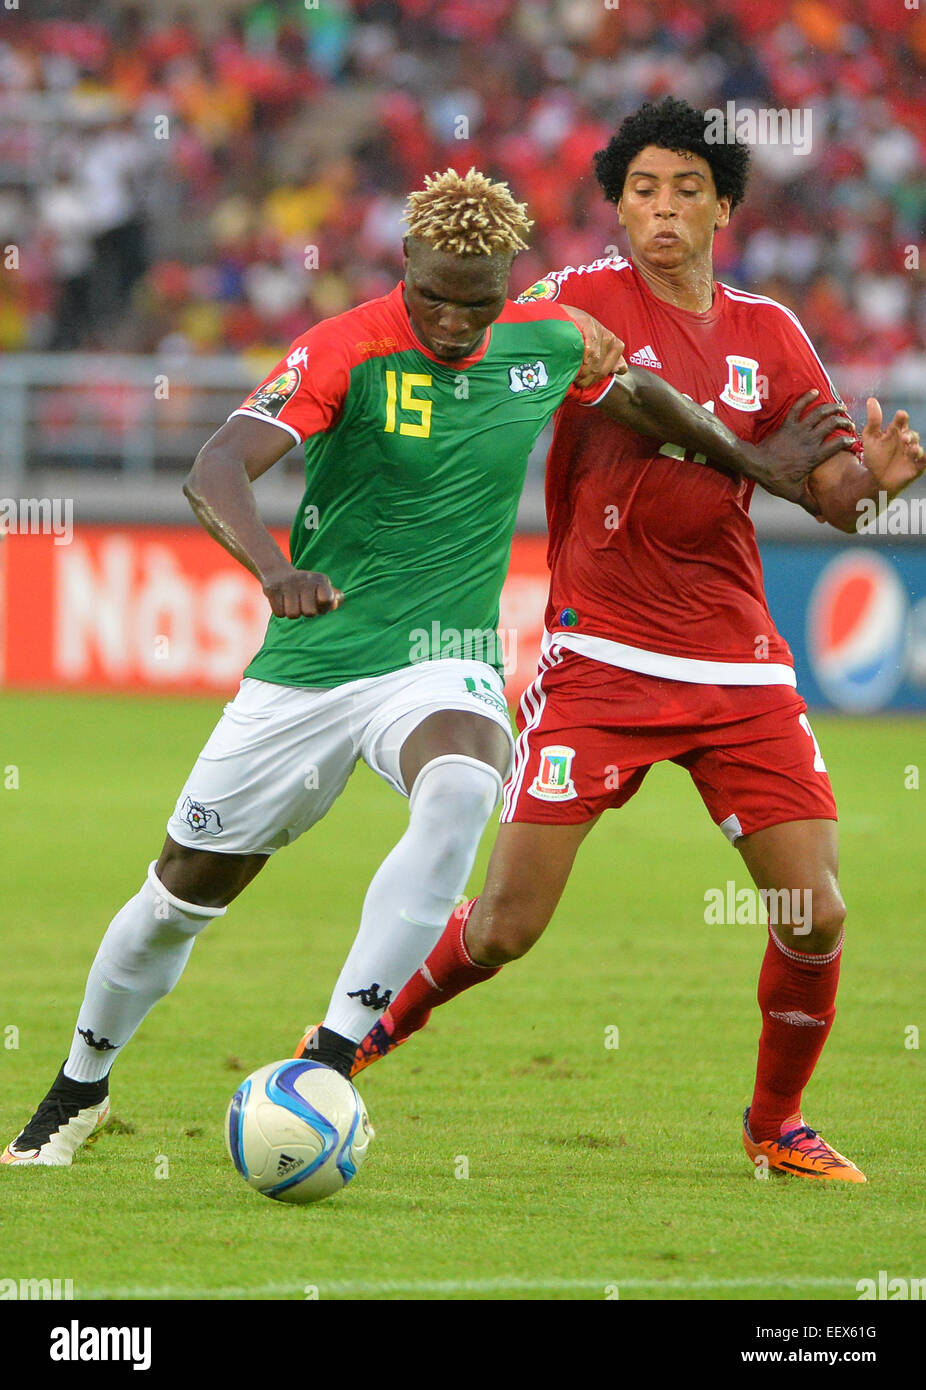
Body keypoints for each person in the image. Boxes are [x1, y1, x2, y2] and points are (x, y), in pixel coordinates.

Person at [3, 165, 843, 1168]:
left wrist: (756, 465)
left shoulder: (547, 341)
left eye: (476, 301)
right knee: (178, 895)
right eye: (435, 295)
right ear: (404, 263)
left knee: (460, 784)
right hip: (313, 661)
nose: (452, 321)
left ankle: (328, 1054)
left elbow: (647, 401)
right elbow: (216, 465)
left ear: (510, 290)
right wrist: (274, 570)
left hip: (441, 660)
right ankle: (78, 1086)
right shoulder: (343, 346)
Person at [344, 107, 926, 1184]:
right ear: (616, 204)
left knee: (815, 912)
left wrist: (877, 485)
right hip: (599, 655)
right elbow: (482, 345)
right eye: (644, 188)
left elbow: (829, 492)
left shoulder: (772, 335)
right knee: (509, 924)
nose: (663, 208)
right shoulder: (573, 303)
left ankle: (773, 1124)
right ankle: (350, 1044)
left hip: (737, 661)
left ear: (724, 207)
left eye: (687, 189)